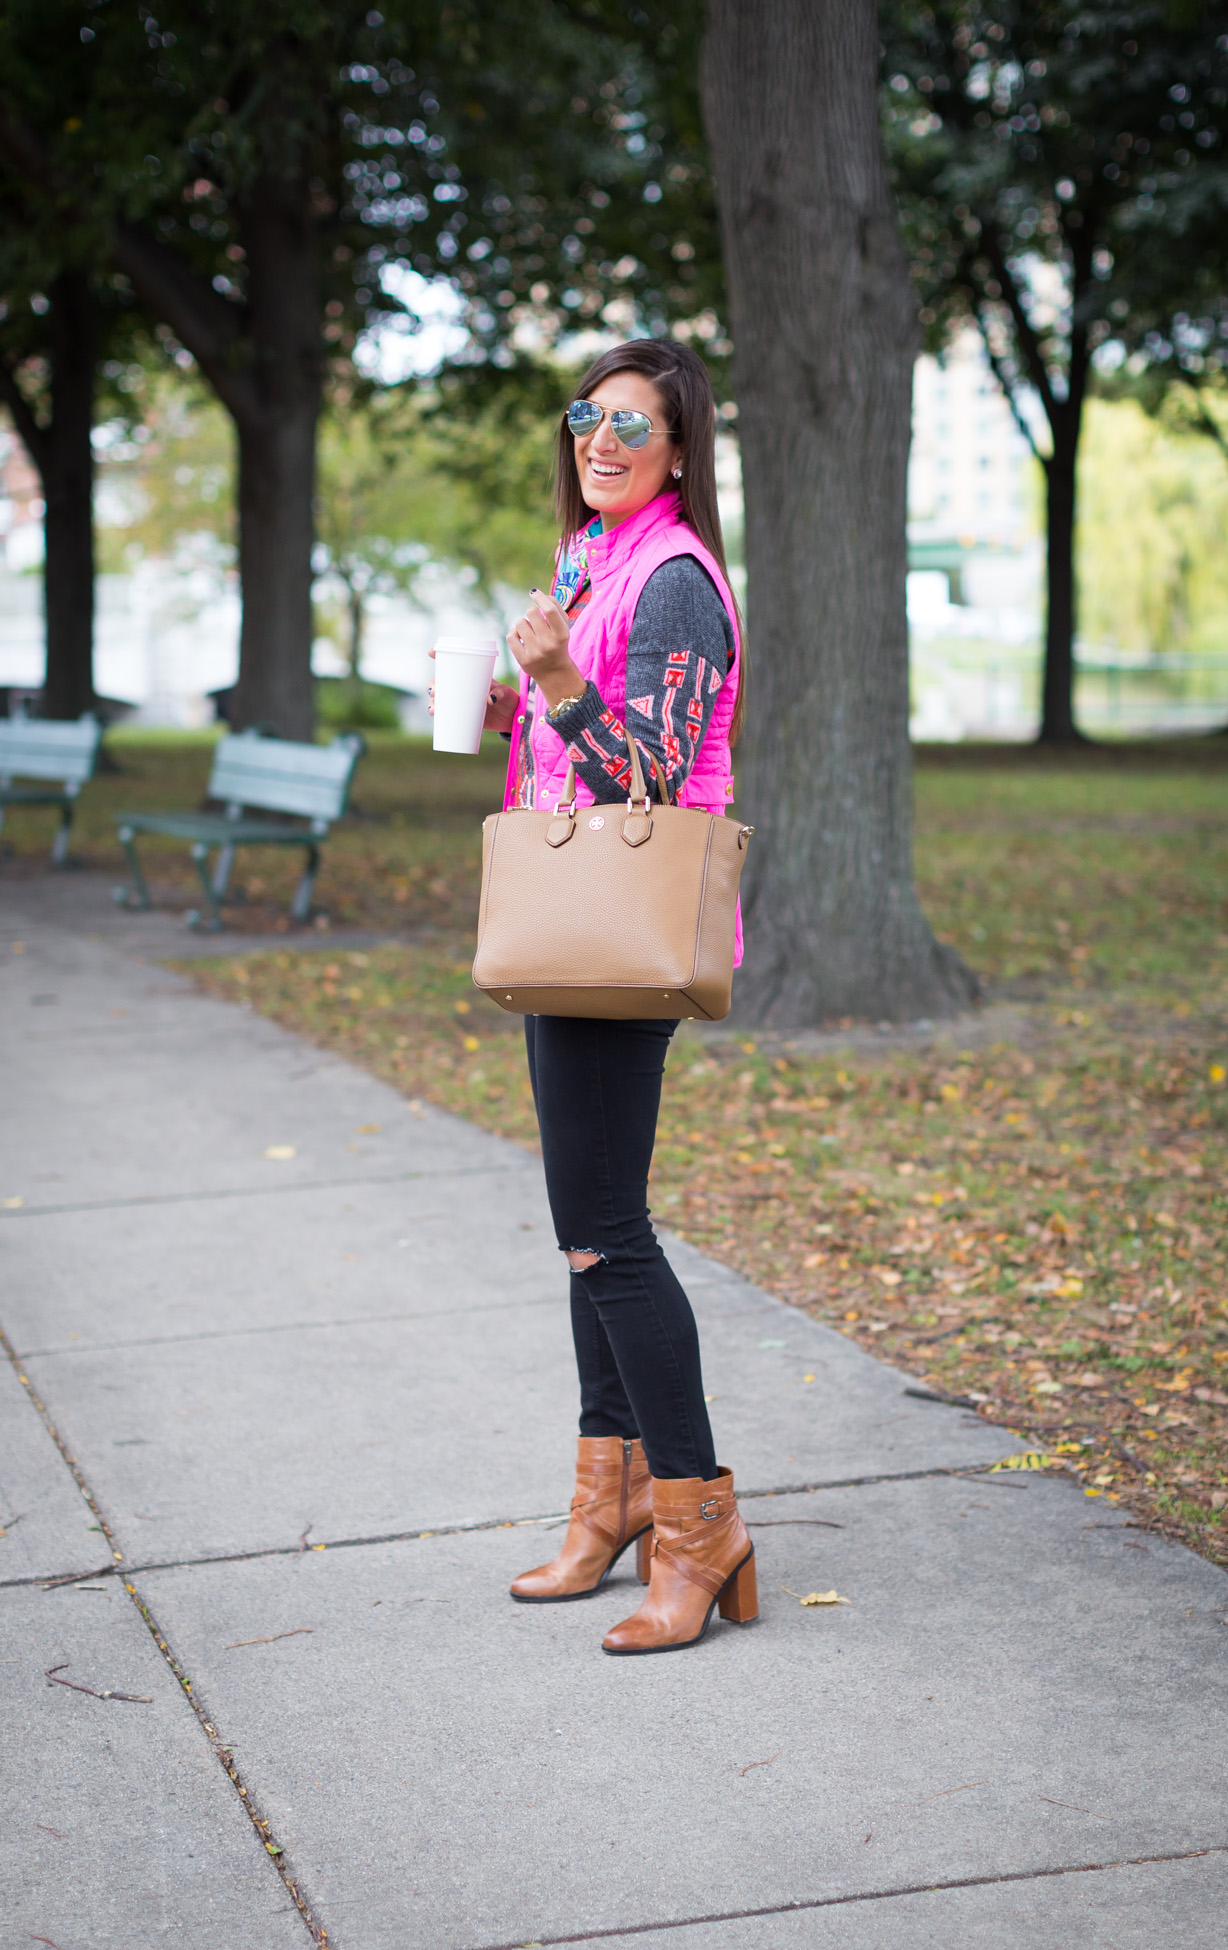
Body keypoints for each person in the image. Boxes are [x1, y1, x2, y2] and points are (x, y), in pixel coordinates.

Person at [427, 339, 757, 1654]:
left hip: (626, 928)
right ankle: (611, 1498)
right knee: (586, 1227)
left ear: (680, 452)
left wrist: (560, 684)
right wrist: (528, 694)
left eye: (634, 424)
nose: (602, 441)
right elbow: (591, 741)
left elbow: (658, 782)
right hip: (574, 921)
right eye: (588, 416)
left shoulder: (673, 577)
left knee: (607, 1228)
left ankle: (699, 1524)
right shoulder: (589, 563)